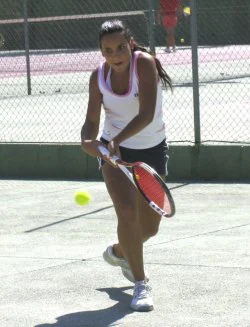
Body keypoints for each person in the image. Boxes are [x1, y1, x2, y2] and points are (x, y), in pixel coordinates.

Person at [81, 19, 172, 312]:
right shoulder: (98, 77)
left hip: (151, 149)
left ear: (130, 45)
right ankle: (141, 283)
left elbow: (146, 114)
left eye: (121, 47)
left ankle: (121, 252)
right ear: (101, 52)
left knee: (149, 228)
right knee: (126, 211)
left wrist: (116, 141)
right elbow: (91, 123)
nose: (115, 55)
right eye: (108, 50)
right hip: (114, 153)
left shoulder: (145, 64)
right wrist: (89, 141)